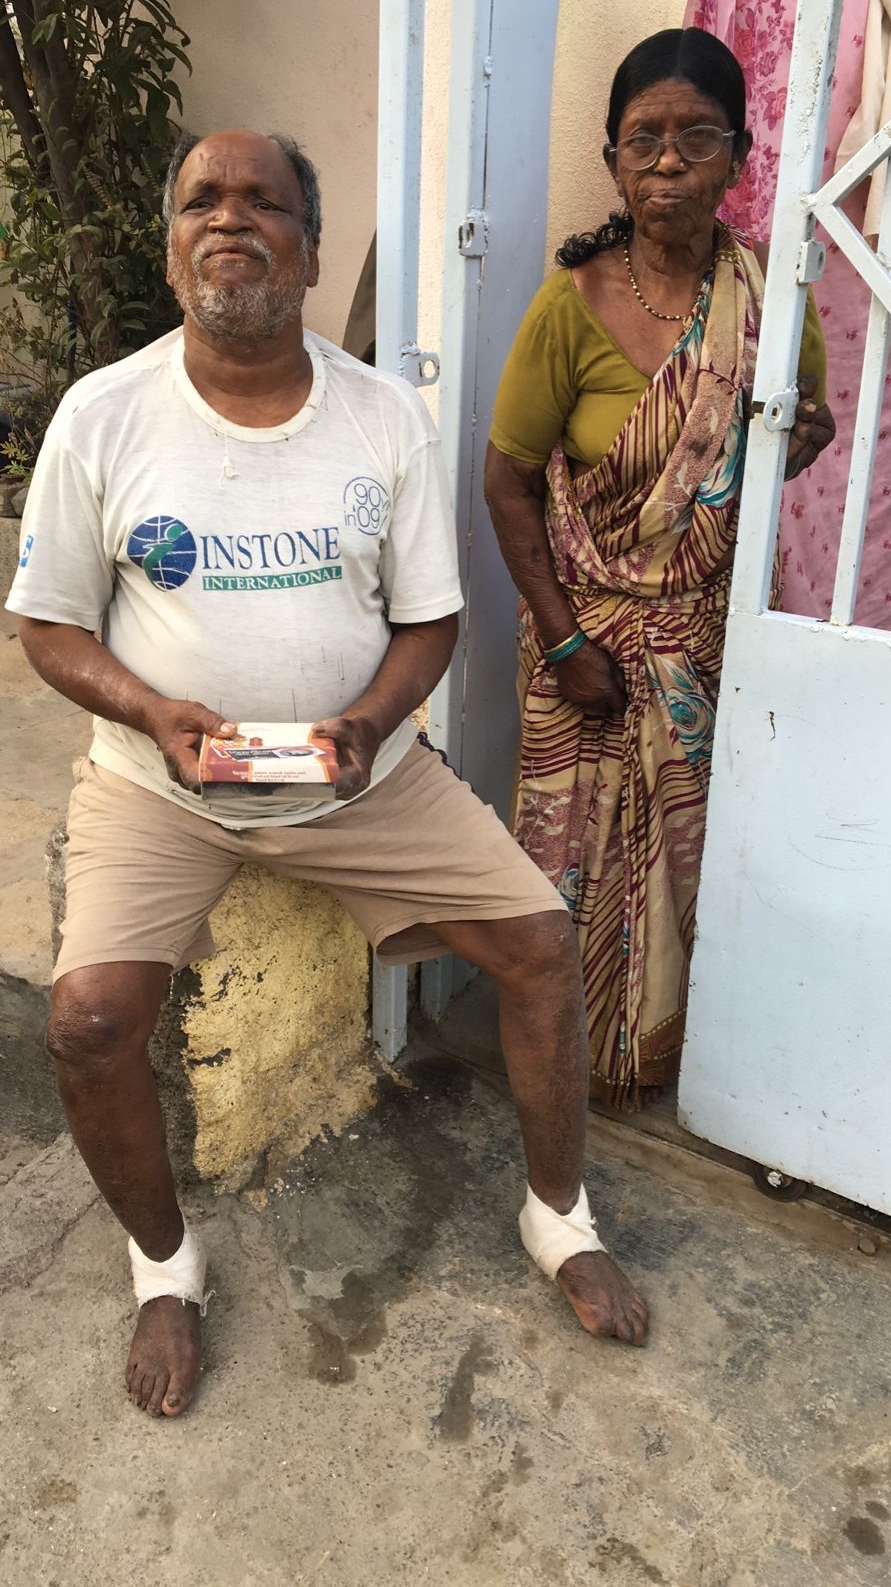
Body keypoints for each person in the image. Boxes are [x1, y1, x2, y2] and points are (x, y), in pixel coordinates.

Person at [6, 130, 649, 1419]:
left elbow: (429, 620)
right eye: (201, 200)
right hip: (161, 786)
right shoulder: (104, 413)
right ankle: (164, 1266)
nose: (228, 218)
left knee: (538, 945)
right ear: (171, 250)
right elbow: (50, 626)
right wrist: (152, 711)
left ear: (308, 251)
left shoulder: (381, 415)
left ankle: (557, 1215)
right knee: (86, 1021)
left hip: (363, 777)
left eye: (264, 202)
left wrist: (365, 721)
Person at [485, 28, 835, 1111]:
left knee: (699, 855)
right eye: (643, 140)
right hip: (581, 643)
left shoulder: (769, 301)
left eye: (697, 138)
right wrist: (566, 641)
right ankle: (572, 1061)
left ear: (738, 158)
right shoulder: (569, 303)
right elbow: (506, 484)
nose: (669, 162)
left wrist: (787, 443)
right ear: (612, 162)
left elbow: (794, 433)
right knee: (571, 863)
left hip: (707, 640)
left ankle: (679, 1059)